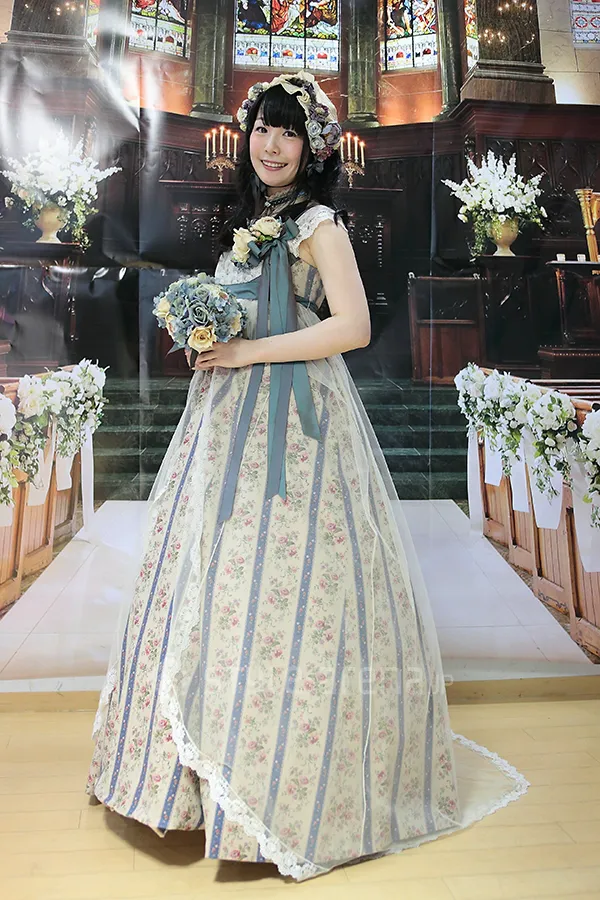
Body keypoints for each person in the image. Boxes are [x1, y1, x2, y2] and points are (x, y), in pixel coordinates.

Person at [88, 71, 527, 881]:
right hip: (227, 415)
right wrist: (208, 333)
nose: (272, 144)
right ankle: (184, 777)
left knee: (290, 586)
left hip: (296, 425)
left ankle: (289, 783)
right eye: (263, 128)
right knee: (211, 576)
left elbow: (351, 326)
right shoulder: (253, 222)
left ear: (312, 148)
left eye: (288, 131)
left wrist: (246, 350)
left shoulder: (318, 223)